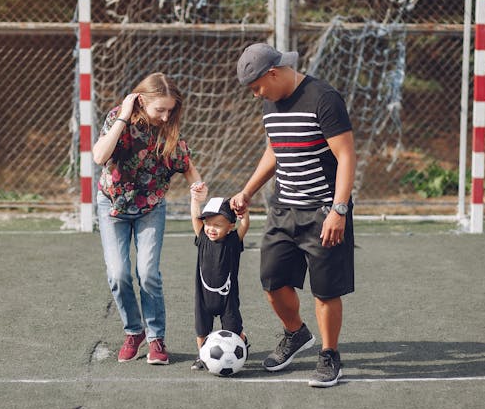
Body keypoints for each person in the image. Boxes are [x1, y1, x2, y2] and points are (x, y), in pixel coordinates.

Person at [231, 43, 356, 388]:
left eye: (256, 88)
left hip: (323, 210)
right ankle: (295, 333)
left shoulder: (324, 98)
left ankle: (330, 354)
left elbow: (346, 156)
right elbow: (275, 148)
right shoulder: (271, 102)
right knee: (272, 282)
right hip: (283, 208)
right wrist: (247, 191)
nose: (256, 96)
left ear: (272, 73)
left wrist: (338, 210)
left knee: (325, 291)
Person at [93, 72, 206, 365]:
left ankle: (156, 338)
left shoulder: (168, 130)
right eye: (160, 109)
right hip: (113, 206)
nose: (166, 116)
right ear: (141, 101)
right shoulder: (118, 117)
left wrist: (198, 189)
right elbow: (99, 156)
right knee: (118, 273)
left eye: (171, 110)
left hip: (150, 207)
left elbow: (188, 167)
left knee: (149, 273)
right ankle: (134, 331)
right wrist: (123, 117)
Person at [189, 194, 250, 371]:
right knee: (201, 331)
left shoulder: (233, 242)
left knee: (234, 329)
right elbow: (195, 218)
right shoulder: (202, 239)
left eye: (217, 225)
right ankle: (203, 355)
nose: (210, 229)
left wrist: (243, 212)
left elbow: (245, 225)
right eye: (208, 223)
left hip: (227, 300)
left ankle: (243, 343)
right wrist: (195, 200)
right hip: (203, 298)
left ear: (230, 226)